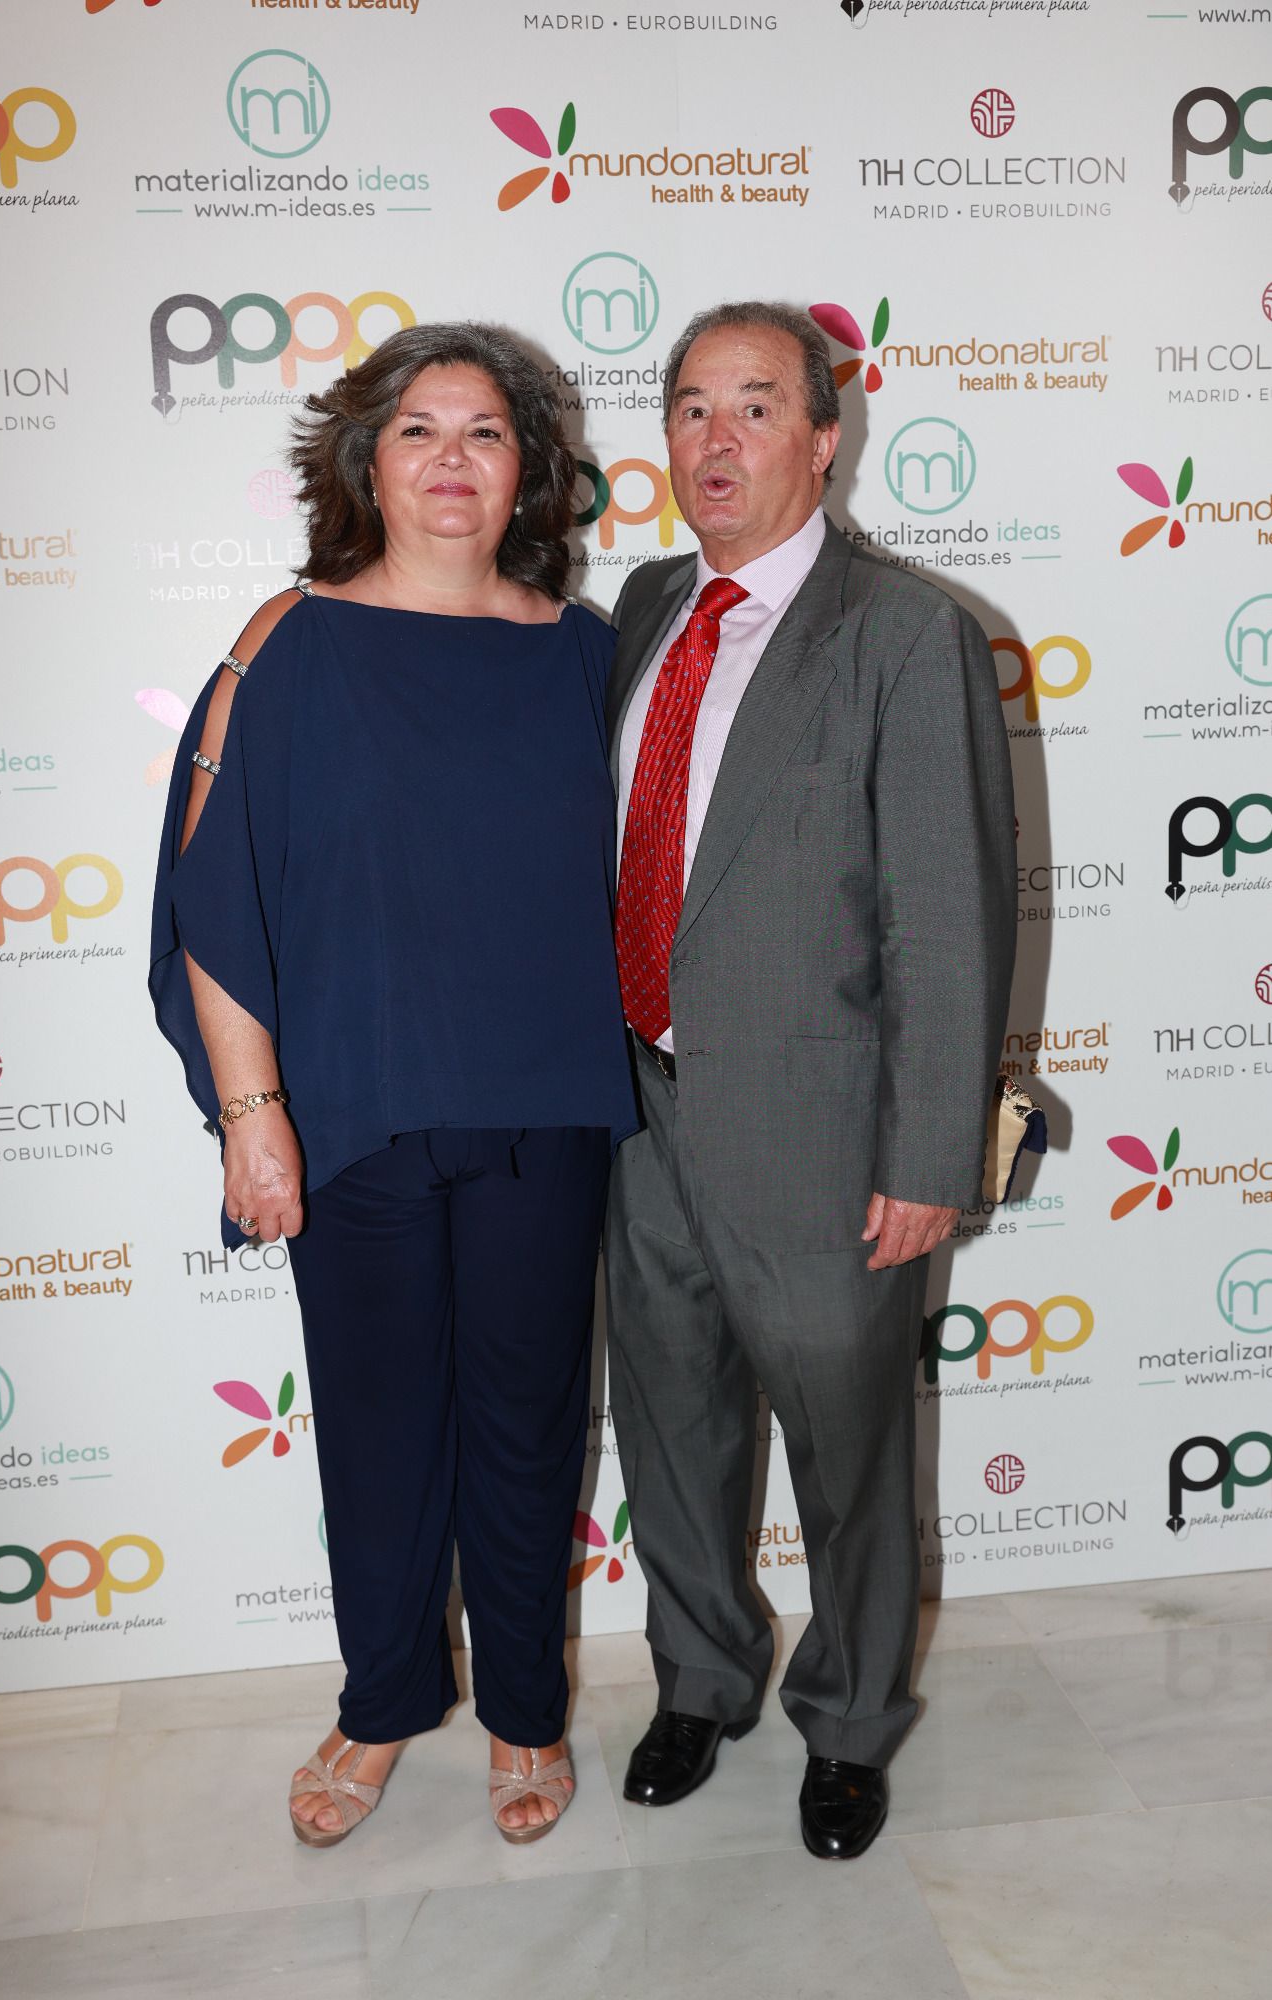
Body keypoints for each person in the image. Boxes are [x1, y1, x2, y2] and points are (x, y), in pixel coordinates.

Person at [149, 322, 637, 1848]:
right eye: (418, 428)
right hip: (351, 1106)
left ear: (528, 471)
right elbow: (213, 897)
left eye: (484, 431)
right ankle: (378, 1706)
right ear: (366, 461)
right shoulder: (289, 642)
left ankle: (525, 1713)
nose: (449, 459)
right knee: (376, 1431)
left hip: (545, 1108)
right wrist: (251, 1117)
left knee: (526, 1426)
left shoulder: (586, 654)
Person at [604, 301, 1017, 1859]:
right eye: (690, 407)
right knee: (671, 1431)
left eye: (756, 405)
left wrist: (925, 1156)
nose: (716, 439)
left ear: (824, 440)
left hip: (826, 1139)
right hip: (636, 1110)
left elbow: (945, 919)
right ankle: (699, 1679)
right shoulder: (645, 604)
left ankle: (845, 1724)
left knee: (847, 1459)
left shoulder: (904, 632)